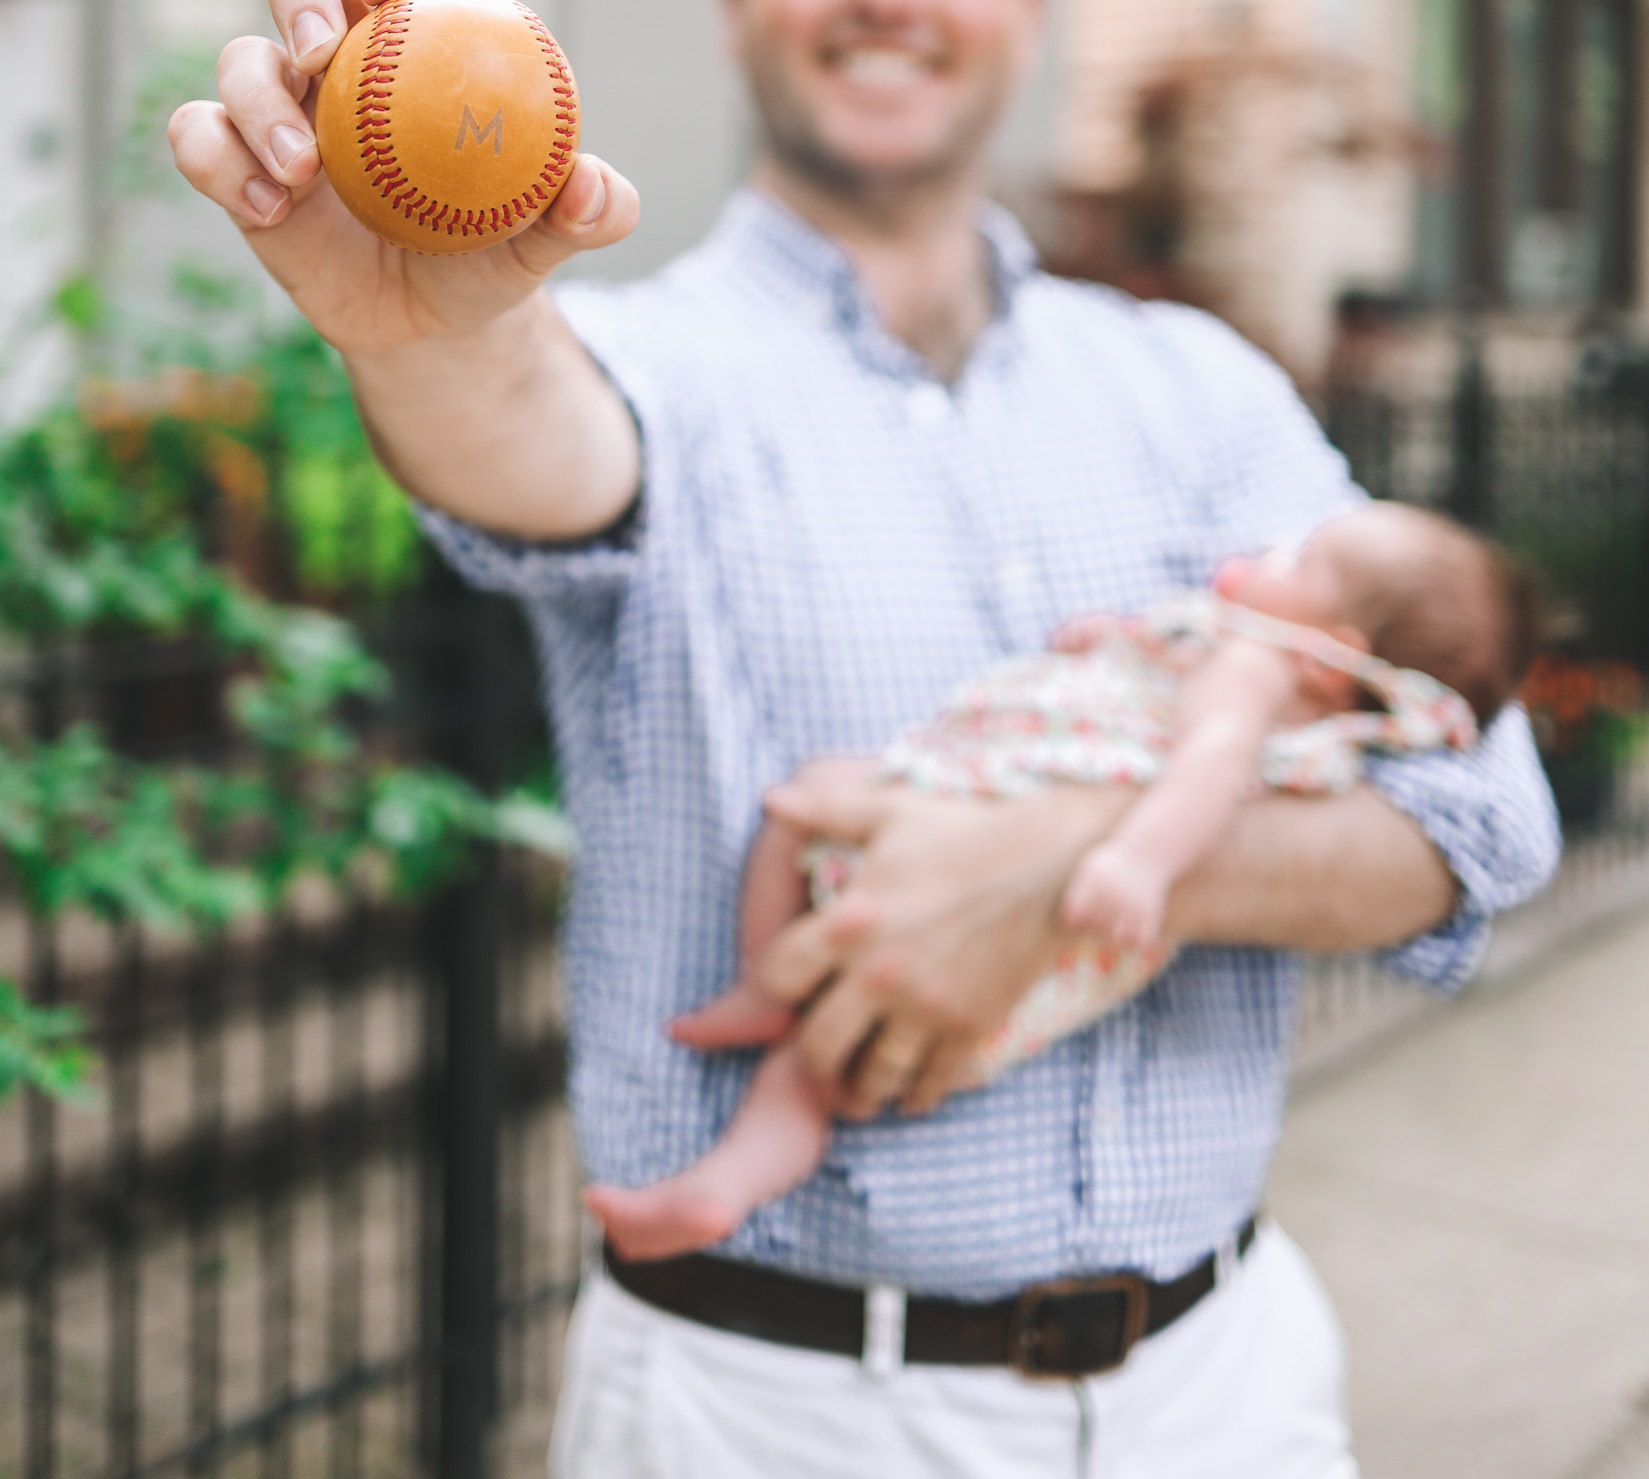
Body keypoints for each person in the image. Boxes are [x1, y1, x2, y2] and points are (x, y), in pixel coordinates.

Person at [170, 0, 1560, 1479]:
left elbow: (1490, 807)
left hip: (1231, 1417)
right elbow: (538, 450)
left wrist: (1053, 871)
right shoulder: (641, 370)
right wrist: (425, 336)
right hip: (791, 1459)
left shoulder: (1202, 390)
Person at [582, 502, 1539, 1263]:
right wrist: (1109, 641)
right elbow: (1149, 693)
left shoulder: (1254, 672)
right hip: (960, 819)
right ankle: (752, 1089)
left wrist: (1138, 862)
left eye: (1302, 562)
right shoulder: (1236, 654)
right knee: (814, 926)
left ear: (1333, 655)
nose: (1269, 554)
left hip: (989, 822)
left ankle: (742, 1106)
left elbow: (1206, 766)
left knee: (805, 818)